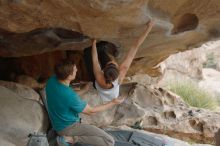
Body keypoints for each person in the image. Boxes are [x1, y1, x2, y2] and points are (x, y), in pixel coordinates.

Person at [46, 59, 124, 146]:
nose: (77, 70)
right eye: (75, 70)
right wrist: (113, 102)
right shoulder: (69, 95)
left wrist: (84, 90)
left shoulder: (52, 80)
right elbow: (91, 111)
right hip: (67, 128)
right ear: (69, 76)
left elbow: (65, 98)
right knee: (109, 141)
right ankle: (71, 139)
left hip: (58, 123)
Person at [87, 20, 154, 101]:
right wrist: (149, 28)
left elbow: (95, 61)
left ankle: (95, 51)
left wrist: (93, 43)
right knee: (102, 53)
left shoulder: (99, 79)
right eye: (114, 63)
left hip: (102, 89)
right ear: (118, 71)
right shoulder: (121, 73)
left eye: (113, 63)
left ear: (103, 70)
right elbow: (135, 46)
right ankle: (101, 50)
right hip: (112, 90)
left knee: (87, 53)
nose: (114, 62)